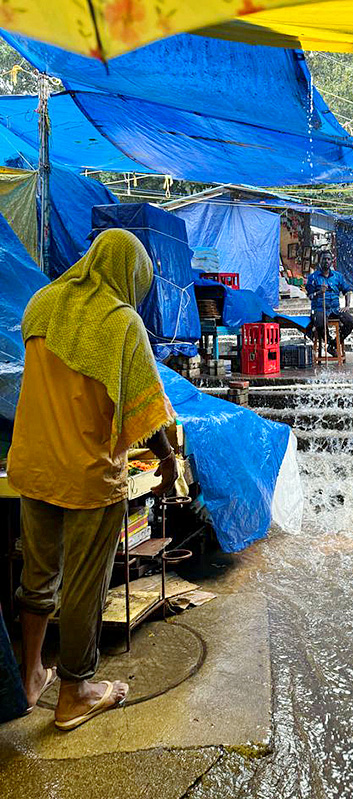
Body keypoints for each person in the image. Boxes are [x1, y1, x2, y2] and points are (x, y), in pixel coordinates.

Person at [7, 228, 178, 731]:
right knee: (83, 587)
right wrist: (167, 459)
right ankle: (76, 692)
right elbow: (145, 404)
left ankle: (30, 675)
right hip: (87, 475)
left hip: (34, 465)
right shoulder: (121, 324)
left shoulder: (41, 304)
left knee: (38, 576)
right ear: (128, 272)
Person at [306, 252, 353, 356]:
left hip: (335, 309)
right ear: (320, 261)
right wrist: (320, 292)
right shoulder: (313, 277)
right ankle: (328, 341)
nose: (326, 261)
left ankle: (333, 344)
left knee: (351, 322)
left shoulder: (338, 276)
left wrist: (347, 306)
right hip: (319, 308)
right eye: (324, 259)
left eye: (328, 259)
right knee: (319, 323)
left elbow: (347, 291)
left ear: (331, 261)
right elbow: (310, 296)